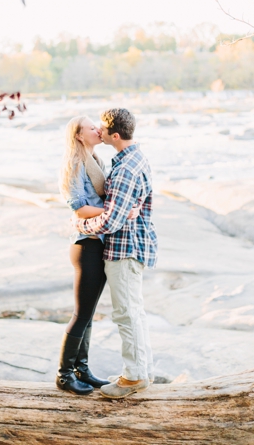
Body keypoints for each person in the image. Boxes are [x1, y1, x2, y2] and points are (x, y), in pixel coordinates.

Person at [75, 108, 158, 399]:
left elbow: (112, 221)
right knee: (135, 311)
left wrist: (83, 223)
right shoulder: (135, 157)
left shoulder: (124, 169)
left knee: (126, 314)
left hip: (124, 249)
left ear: (115, 135)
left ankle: (133, 377)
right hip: (135, 245)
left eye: (103, 129)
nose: (99, 132)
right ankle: (142, 371)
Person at [57, 116, 139, 395]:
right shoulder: (75, 163)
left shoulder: (97, 162)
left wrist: (126, 208)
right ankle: (65, 375)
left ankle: (82, 370)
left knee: (89, 314)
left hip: (98, 241)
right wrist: (115, 212)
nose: (98, 130)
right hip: (86, 243)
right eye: (91, 127)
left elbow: (107, 199)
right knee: (81, 314)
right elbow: (78, 206)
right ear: (79, 136)